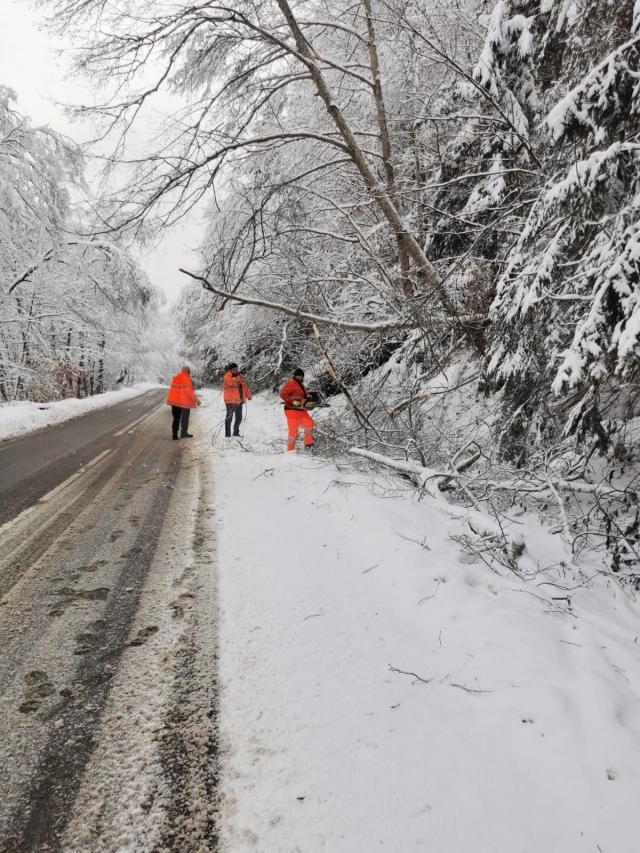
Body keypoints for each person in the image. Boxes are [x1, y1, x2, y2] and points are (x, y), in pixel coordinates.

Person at [280, 368, 314, 451]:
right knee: (293, 431)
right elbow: (283, 394)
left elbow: (302, 397)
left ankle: (308, 445)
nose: (300, 377)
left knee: (309, 424)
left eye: (301, 376)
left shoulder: (301, 385)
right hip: (291, 410)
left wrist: (308, 398)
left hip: (301, 410)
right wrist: (294, 402)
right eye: (298, 376)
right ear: (295, 376)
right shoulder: (291, 383)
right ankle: (290, 450)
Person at [166, 365, 200, 439]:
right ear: (188, 372)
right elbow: (189, 392)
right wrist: (196, 400)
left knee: (176, 418)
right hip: (183, 402)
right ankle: (183, 433)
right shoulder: (186, 379)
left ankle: (174, 434)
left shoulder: (176, 377)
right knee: (185, 418)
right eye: (189, 372)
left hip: (174, 402)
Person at [223, 363, 252, 437]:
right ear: (231, 369)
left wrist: (248, 395)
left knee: (239, 417)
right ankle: (228, 434)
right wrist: (236, 379)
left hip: (239, 400)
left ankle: (236, 432)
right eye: (234, 369)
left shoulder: (240, 376)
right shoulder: (227, 375)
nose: (236, 370)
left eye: (237, 368)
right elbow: (230, 383)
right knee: (229, 417)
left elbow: (244, 386)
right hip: (230, 400)